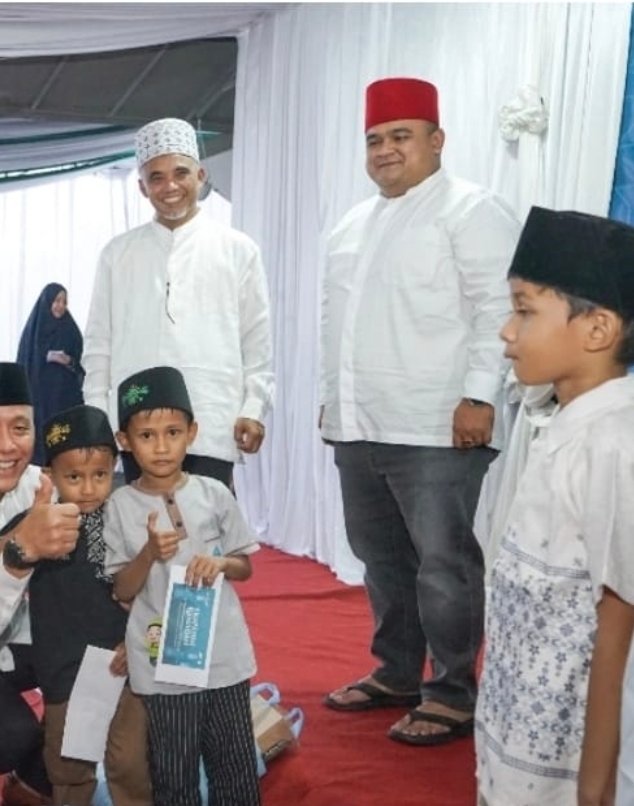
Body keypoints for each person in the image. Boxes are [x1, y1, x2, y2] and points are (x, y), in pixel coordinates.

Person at [318, 77, 520, 745]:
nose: (385, 150)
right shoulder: (352, 224)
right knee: (380, 559)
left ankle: (453, 691)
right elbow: (337, 325)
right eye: (374, 139)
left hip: (439, 424)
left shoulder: (471, 210)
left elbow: (500, 309)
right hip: (360, 424)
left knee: (443, 564)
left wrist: (480, 394)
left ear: (437, 140)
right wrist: (333, 404)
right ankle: (398, 673)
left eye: (400, 136)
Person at [475, 207, 634, 806]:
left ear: (597, 330)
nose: (506, 331)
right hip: (518, 728)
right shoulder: (565, 422)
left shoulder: (615, 442)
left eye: (524, 310)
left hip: (566, 764)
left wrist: (594, 787)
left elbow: (618, 625)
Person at [84, 117, 274, 488]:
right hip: (136, 422)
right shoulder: (117, 254)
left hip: (212, 417)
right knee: (142, 520)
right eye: (156, 177)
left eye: (180, 173)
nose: (170, 186)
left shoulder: (237, 249)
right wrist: (98, 415)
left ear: (201, 175)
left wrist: (254, 406)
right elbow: (98, 343)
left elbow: (256, 339)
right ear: (142, 187)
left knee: (211, 520)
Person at [103, 366, 261, 806]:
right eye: (146, 435)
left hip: (223, 654)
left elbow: (245, 566)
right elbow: (122, 589)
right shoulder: (119, 505)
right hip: (162, 662)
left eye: (172, 432)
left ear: (192, 433)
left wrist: (221, 563)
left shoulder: (214, 493)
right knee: (173, 772)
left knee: (235, 767)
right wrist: (149, 553)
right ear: (124, 441)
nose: (161, 446)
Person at [0, 361, 81, 806]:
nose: (6, 446)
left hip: (20, 645)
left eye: (20, 428)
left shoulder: (46, 487)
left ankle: (33, 785)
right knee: (6, 731)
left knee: (109, 670)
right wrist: (18, 554)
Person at [26, 404, 150, 806]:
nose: (89, 488)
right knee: (69, 765)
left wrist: (138, 642)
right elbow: (0, 558)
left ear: (114, 467)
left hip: (123, 660)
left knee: (131, 763)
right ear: (50, 475)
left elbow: (154, 588)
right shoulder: (38, 523)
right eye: (74, 477)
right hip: (65, 667)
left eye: (100, 474)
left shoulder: (129, 520)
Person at [16, 283, 85, 464]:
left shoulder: (71, 330)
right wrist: (45, 356)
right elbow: (24, 362)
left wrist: (68, 360)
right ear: (47, 302)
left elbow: (82, 364)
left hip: (63, 398)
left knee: (62, 443)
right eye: (56, 301)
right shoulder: (34, 331)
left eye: (64, 302)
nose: (60, 306)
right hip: (39, 398)